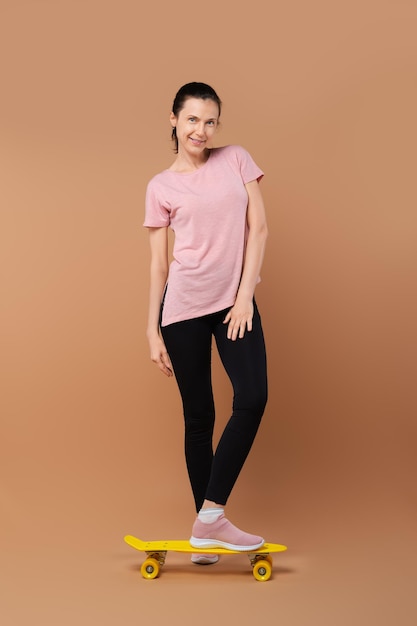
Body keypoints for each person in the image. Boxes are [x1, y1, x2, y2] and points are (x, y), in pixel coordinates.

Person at [144, 82, 269, 565]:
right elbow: (159, 264)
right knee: (199, 418)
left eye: (210, 121)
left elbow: (258, 228)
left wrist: (245, 297)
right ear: (174, 120)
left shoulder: (236, 159)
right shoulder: (160, 186)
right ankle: (207, 530)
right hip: (181, 309)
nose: (202, 129)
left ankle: (210, 517)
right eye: (193, 119)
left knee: (252, 397)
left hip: (233, 303)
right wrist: (151, 329)